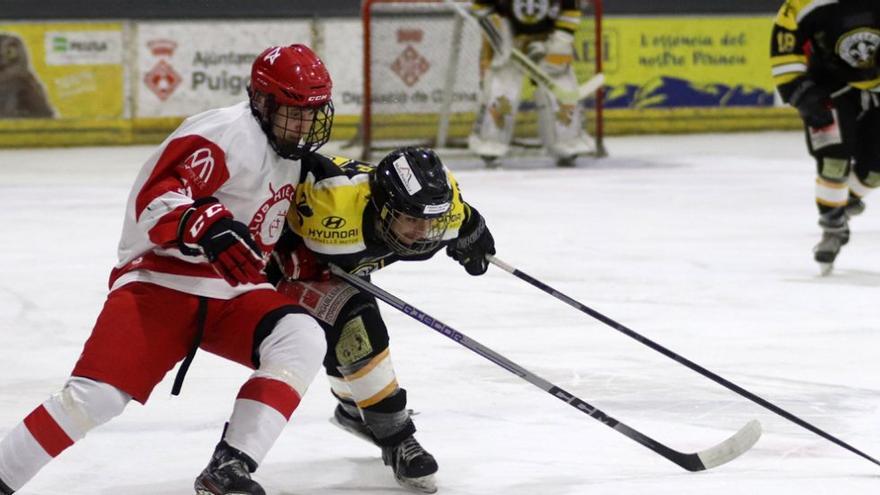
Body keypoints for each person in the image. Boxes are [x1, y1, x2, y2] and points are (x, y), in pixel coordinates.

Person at [0, 44, 336, 495]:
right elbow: (155, 200)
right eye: (294, 113)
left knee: (302, 336)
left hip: (234, 292)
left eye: (313, 113)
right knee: (94, 398)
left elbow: (266, 225)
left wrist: (298, 252)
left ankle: (229, 467)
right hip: (161, 281)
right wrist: (199, 222)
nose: (305, 125)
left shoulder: (293, 154)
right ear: (262, 101)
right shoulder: (225, 135)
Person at [268, 146, 496, 493]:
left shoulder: (440, 207)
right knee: (358, 330)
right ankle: (396, 438)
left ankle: (353, 409)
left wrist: (473, 230)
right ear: (382, 208)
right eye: (412, 219)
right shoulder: (331, 207)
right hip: (288, 268)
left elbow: (462, 219)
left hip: (338, 265)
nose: (423, 231)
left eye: (431, 220)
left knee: (348, 337)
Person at [770, 0, 880, 274]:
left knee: (875, 170)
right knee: (833, 160)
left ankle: (844, 200)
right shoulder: (803, 4)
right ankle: (832, 225)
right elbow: (785, 47)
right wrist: (801, 94)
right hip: (827, 89)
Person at [467, 0, 594, 167]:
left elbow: (570, 9)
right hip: (507, 39)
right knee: (501, 90)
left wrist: (559, 44)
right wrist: (498, 33)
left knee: (560, 88)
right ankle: (490, 144)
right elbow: (481, 6)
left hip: (548, 40)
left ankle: (568, 142)